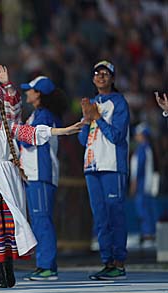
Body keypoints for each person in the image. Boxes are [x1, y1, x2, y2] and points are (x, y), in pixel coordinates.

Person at [0, 82, 82, 288]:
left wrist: (64, 130)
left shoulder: (9, 126)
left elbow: (34, 134)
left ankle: (8, 266)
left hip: (8, 180)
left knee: (10, 225)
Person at [79, 60, 130, 280]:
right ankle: (107, 261)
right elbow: (83, 139)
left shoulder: (118, 102)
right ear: (93, 79)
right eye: (97, 73)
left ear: (112, 78)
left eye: (105, 74)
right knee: (100, 217)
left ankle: (119, 262)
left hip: (112, 165)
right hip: (92, 166)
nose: (101, 77)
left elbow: (117, 136)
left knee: (114, 214)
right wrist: (87, 119)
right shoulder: (92, 103)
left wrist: (97, 117)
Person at [19, 76, 68, 281]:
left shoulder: (45, 115)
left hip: (41, 173)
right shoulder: (37, 114)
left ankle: (47, 266)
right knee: (39, 220)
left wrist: (15, 130)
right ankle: (44, 264)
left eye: (30, 89)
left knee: (42, 220)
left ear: (38, 93)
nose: (27, 92)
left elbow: (29, 140)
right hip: (34, 173)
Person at [130, 123, 157, 248]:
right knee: (146, 208)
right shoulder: (146, 148)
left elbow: (139, 167)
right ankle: (148, 233)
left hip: (142, 183)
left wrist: (134, 183)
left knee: (143, 209)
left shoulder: (143, 148)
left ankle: (148, 234)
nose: (136, 136)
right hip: (145, 183)